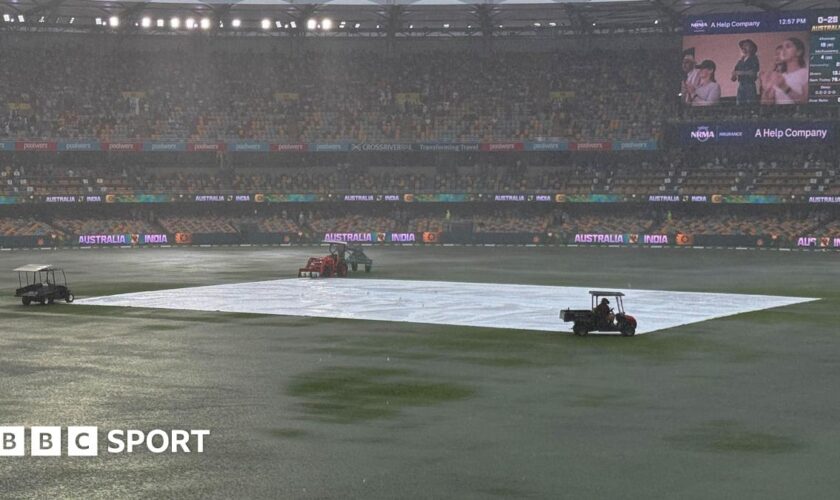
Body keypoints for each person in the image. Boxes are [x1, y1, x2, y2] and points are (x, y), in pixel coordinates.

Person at [768, 37, 808, 105]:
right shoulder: (780, 76)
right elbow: (768, 103)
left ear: (799, 52)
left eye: (788, 46)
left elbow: (806, 102)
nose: (783, 50)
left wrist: (784, 87)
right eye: (782, 47)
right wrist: (766, 90)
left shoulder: (806, 73)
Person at [731, 39, 759, 105]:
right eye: (742, 46)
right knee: (739, 105)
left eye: (746, 45)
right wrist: (733, 75)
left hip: (749, 85)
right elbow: (733, 77)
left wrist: (739, 73)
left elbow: (753, 73)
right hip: (741, 85)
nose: (743, 47)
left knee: (750, 105)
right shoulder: (740, 61)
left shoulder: (754, 59)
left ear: (752, 48)